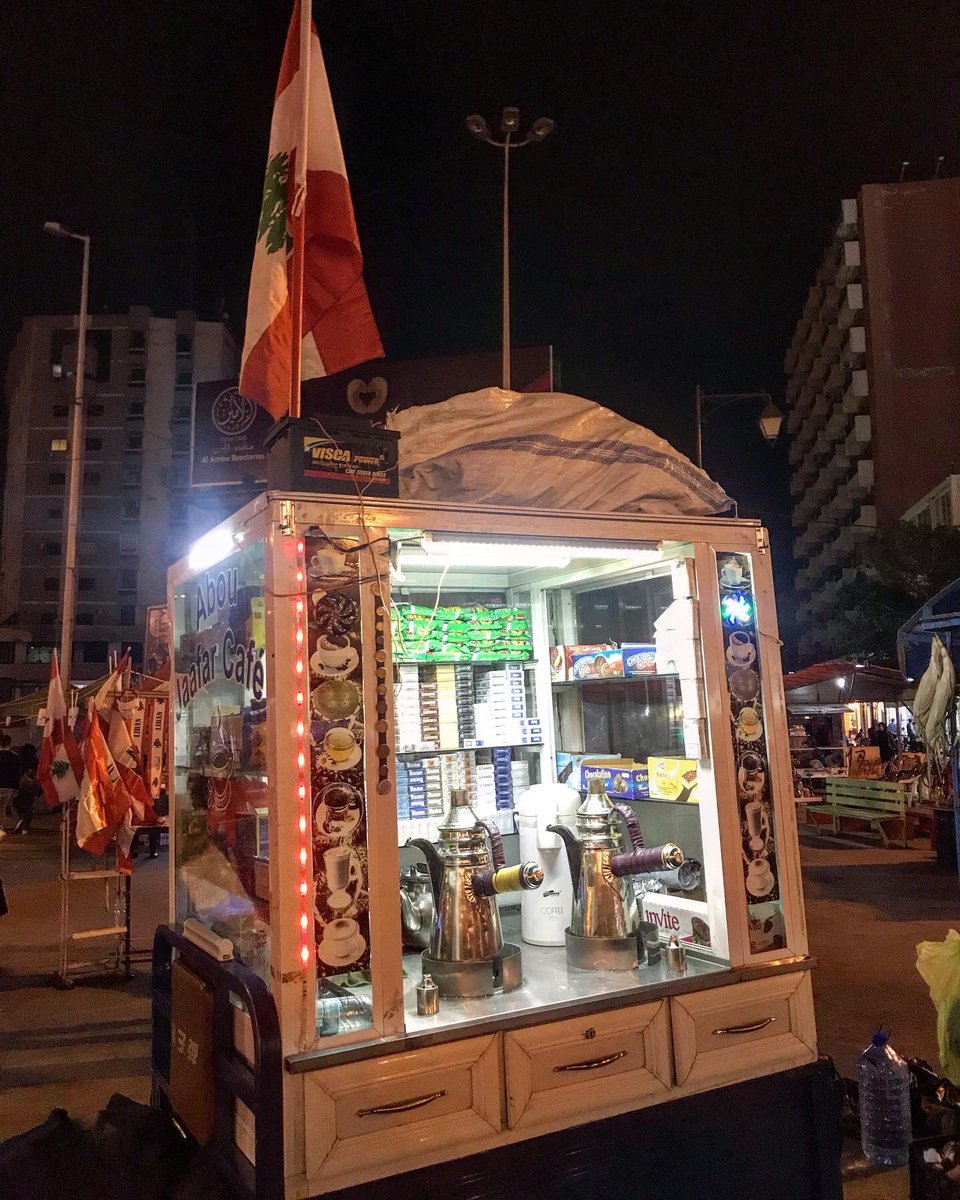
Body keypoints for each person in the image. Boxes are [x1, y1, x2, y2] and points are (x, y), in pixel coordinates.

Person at [0, 732, 22, 837]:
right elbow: (17, 773)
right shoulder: (15, 757)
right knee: (3, 807)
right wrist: (16, 788)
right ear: (10, 744)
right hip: (8, 786)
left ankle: (1, 827)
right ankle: (1, 826)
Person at [13, 767, 42, 834]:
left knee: (24, 811)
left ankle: (22, 823)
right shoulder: (34, 780)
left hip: (24, 796)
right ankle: (24, 827)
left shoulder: (24, 779)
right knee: (28, 811)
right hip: (28, 796)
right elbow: (37, 789)